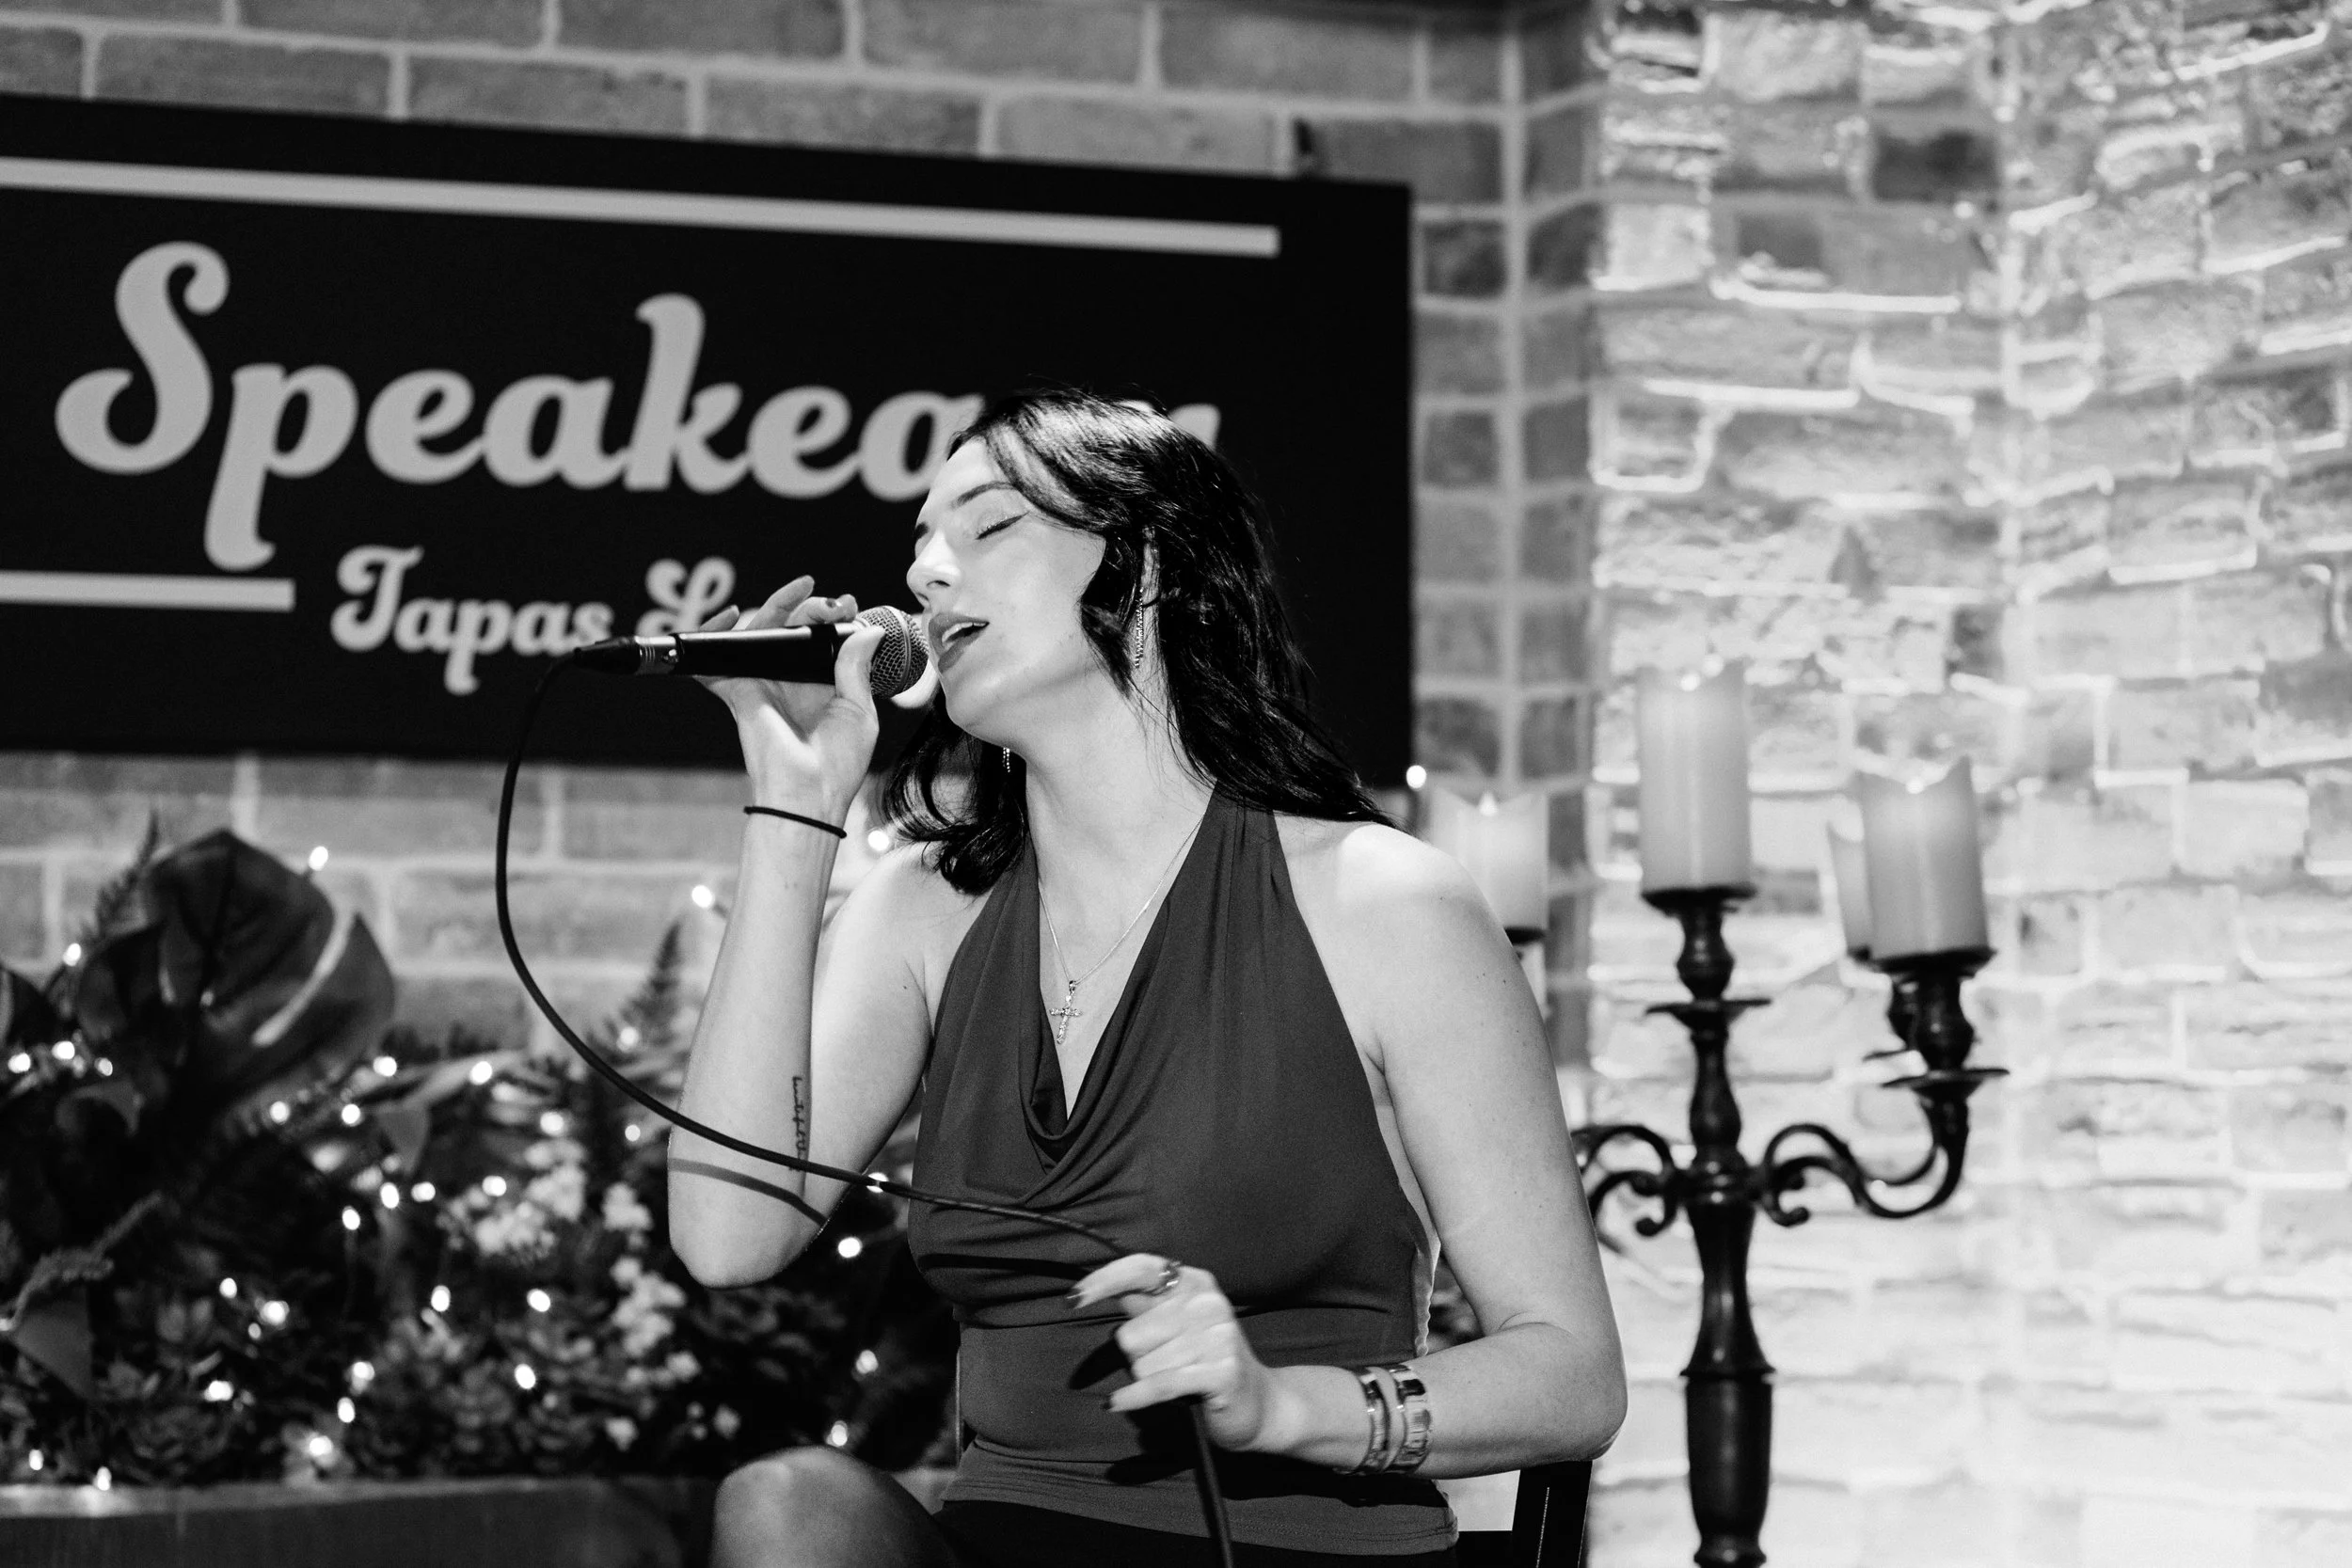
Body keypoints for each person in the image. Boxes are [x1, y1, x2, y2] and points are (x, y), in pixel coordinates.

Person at [670, 388, 1625, 1568]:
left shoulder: (1382, 903)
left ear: (1148, 563)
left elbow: (1571, 1371)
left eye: (986, 527)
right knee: (792, 1507)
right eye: (918, 546)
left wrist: (1283, 1405)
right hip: (1008, 1533)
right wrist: (793, 802)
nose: (923, 574)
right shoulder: (920, 908)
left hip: (1294, 1542)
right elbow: (725, 1233)